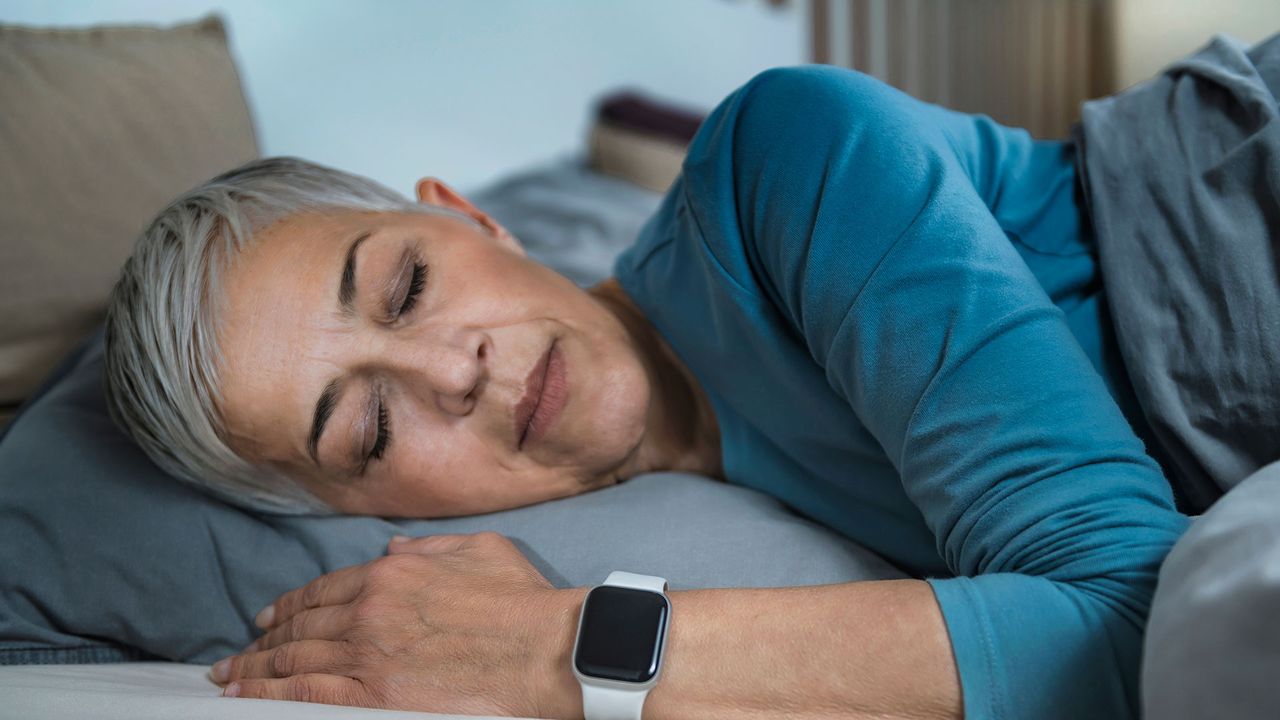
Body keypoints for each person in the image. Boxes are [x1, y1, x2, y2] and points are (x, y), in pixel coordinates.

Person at [104, 66, 1195, 719]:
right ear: (360, 513)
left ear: (467, 217)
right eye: (368, 426)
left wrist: (550, 649)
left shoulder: (787, 150)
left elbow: (1136, 618)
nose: (451, 369)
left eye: (408, 285)